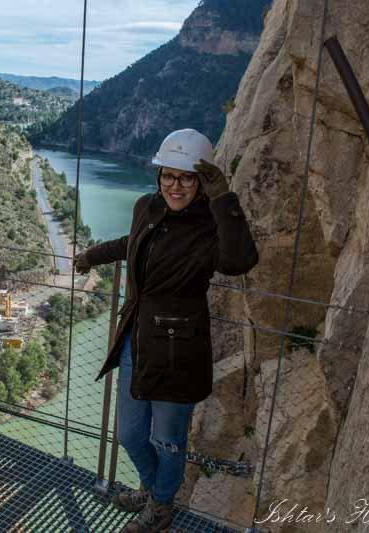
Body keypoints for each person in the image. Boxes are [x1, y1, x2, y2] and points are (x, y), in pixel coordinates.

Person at [74, 129, 258, 532]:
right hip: (137, 338)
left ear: (202, 181)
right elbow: (133, 242)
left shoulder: (210, 224)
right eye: (168, 176)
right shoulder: (147, 206)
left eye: (187, 178)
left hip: (179, 348)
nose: (175, 186)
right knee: (129, 434)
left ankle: (159, 506)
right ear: (159, 176)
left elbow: (239, 261)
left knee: (168, 440)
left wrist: (224, 199)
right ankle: (153, 489)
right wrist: (92, 255)